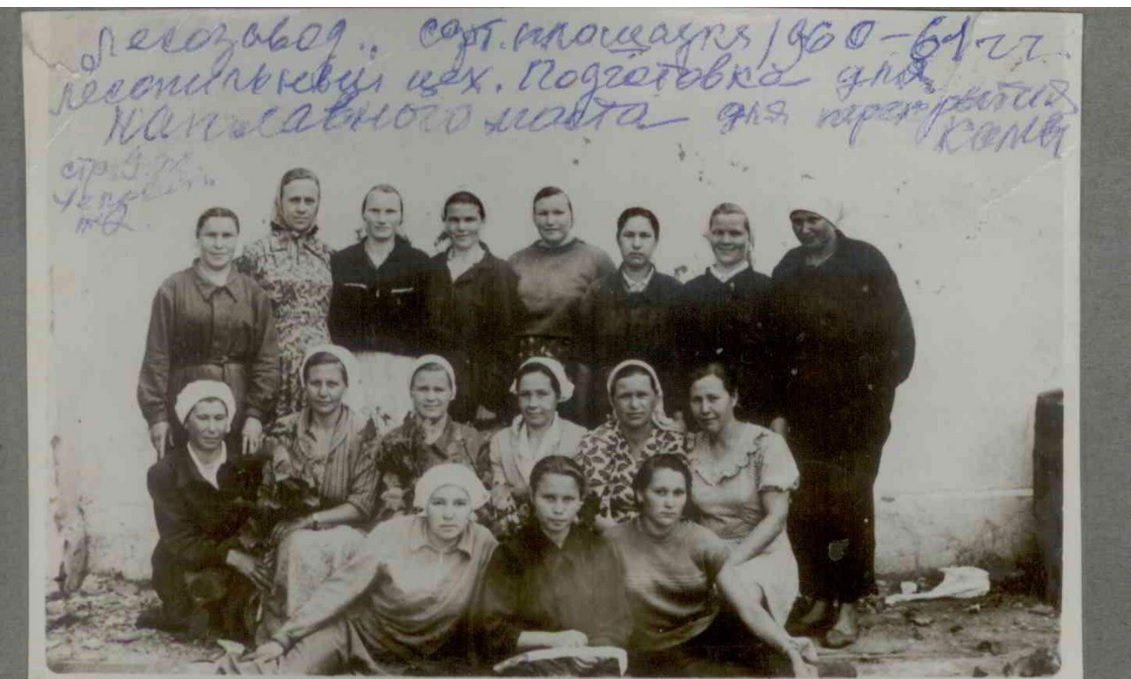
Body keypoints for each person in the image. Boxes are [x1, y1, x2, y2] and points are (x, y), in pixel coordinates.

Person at [769, 199, 915, 648]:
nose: (804, 229)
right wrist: (780, 410)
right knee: (809, 503)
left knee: (850, 502)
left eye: (813, 219)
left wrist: (876, 394)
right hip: (805, 412)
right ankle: (818, 595)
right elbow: (774, 346)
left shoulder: (866, 261)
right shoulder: (788, 268)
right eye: (797, 221)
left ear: (833, 218)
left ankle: (849, 603)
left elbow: (900, 336)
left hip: (856, 413)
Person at [221, 464, 498, 676]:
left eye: (459, 504)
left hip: (421, 657)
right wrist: (284, 638)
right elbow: (340, 588)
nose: (449, 514)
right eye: (439, 503)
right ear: (424, 505)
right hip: (358, 635)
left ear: (472, 508)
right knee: (284, 673)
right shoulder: (393, 533)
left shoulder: (483, 542)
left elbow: (497, 605)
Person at [607, 455, 817, 678]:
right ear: (640, 494)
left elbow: (748, 607)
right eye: (660, 492)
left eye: (678, 493)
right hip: (648, 651)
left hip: (705, 639)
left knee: (782, 666)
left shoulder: (702, 541)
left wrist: (788, 648)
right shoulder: (610, 543)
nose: (670, 503)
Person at [254, 345, 383, 642]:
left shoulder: (364, 431)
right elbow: (270, 493)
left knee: (337, 543)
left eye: (332, 384)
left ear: (346, 386)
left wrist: (310, 520)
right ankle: (293, 636)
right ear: (304, 385)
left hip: (348, 526)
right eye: (315, 383)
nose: (323, 392)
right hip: (294, 527)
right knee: (297, 545)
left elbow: (362, 505)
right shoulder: (286, 429)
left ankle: (337, 638)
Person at [137, 207, 279, 459]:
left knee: (235, 475)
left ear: (237, 239)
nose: (218, 244)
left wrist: (256, 414)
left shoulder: (253, 293)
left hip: (238, 404)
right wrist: (157, 417)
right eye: (211, 235)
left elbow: (267, 359)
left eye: (227, 236)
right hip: (184, 403)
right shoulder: (173, 289)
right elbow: (157, 356)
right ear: (198, 238)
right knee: (183, 475)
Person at [473, 455, 633, 676]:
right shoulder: (510, 554)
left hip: (592, 661)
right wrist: (554, 641)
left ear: (580, 500)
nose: (558, 509)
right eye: (549, 498)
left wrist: (591, 652)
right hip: (531, 665)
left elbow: (617, 620)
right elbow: (494, 629)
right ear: (532, 496)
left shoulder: (598, 549)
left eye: (568, 499)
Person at [139, 381, 265, 641]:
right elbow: (180, 541)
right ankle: (173, 613)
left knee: (244, 619)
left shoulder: (245, 462)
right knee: (202, 620)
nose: (212, 428)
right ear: (186, 422)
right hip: (185, 562)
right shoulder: (165, 472)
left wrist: (243, 555)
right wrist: (230, 556)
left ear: (229, 422)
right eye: (202, 418)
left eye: (219, 418)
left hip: (235, 558)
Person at [685, 362, 801, 631]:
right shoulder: (689, 447)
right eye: (697, 400)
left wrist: (728, 564)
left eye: (713, 398)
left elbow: (776, 518)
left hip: (761, 555)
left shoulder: (766, 444)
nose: (705, 408)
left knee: (736, 597)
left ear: (734, 397)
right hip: (710, 555)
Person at [328, 184, 438, 430]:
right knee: (355, 431)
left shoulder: (419, 262)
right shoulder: (342, 261)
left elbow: (429, 322)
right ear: (363, 214)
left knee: (398, 434)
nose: (382, 219)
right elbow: (334, 318)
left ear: (401, 217)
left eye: (390, 212)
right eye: (375, 211)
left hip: (401, 368)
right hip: (354, 365)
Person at [509, 187, 617, 427]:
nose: (550, 221)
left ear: (571, 215)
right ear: (533, 217)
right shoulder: (516, 261)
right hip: (527, 365)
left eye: (558, 213)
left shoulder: (595, 259)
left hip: (577, 368)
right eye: (543, 213)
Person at [237, 168, 335, 419]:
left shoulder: (328, 255)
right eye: (294, 200)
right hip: (273, 366)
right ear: (279, 202)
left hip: (319, 369)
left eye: (309, 201)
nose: (301, 208)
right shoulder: (255, 254)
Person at [577, 207, 683, 424]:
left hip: (661, 410)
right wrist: (583, 419)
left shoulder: (674, 292)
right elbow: (584, 363)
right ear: (618, 239)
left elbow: (681, 363)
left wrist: (678, 413)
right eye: (629, 235)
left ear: (656, 241)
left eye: (644, 236)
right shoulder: (598, 292)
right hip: (606, 409)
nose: (636, 244)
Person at [676, 203, 773, 423]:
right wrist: (680, 412)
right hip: (701, 416)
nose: (726, 240)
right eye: (718, 233)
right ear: (709, 236)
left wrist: (777, 415)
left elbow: (779, 361)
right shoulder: (690, 292)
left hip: (755, 414)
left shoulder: (768, 290)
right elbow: (679, 360)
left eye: (735, 233)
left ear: (749, 237)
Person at [430, 191, 521, 427]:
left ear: (482, 221)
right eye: (454, 220)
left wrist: (490, 400)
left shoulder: (499, 272)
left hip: (480, 393)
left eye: (469, 219)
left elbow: (507, 342)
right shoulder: (432, 269)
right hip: (438, 390)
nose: (461, 227)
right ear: (444, 222)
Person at [576, 360, 686, 530]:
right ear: (612, 401)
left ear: (656, 398)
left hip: (666, 536)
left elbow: (681, 504)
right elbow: (593, 509)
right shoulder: (595, 442)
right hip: (609, 537)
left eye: (642, 395)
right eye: (625, 396)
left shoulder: (674, 442)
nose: (634, 405)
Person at [374, 355, 485, 522]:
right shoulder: (393, 442)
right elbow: (388, 503)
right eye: (423, 389)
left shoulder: (471, 439)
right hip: (408, 528)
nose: (431, 397)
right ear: (411, 391)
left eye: (439, 390)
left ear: (452, 393)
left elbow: (484, 500)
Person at [486, 358, 588, 538]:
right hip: (513, 536)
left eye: (542, 394)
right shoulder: (501, 441)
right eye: (525, 394)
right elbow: (499, 495)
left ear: (558, 396)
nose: (532, 404)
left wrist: (520, 491)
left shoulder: (579, 438)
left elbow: (581, 497)